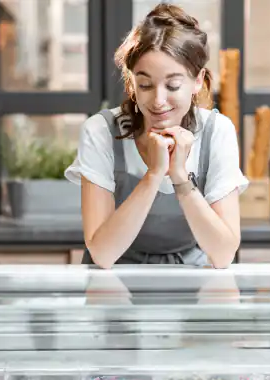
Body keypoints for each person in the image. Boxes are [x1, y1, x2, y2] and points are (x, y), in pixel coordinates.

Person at [64, 3, 248, 269]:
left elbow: (222, 254)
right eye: (145, 85)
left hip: (191, 283)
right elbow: (102, 254)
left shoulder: (217, 131)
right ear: (132, 84)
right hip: (114, 283)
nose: (158, 101)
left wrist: (180, 177)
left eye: (173, 84)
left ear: (198, 81)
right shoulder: (101, 131)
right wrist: (153, 174)